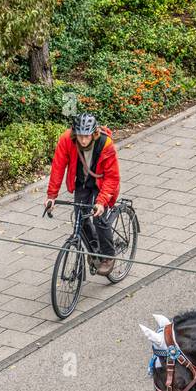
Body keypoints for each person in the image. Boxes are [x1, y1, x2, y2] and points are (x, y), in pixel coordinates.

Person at [45, 113, 121, 276]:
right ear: (75, 133)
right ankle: (95, 251)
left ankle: (108, 256)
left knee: (98, 218)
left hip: (103, 183)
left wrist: (101, 201)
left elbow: (113, 177)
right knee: (80, 217)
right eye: (80, 136)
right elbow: (58, 167)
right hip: (83, 182)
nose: (83, 140)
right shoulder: (67, 140)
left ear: (94, 133)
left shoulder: (105, 143)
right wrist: (52, 196)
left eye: (86, 136)